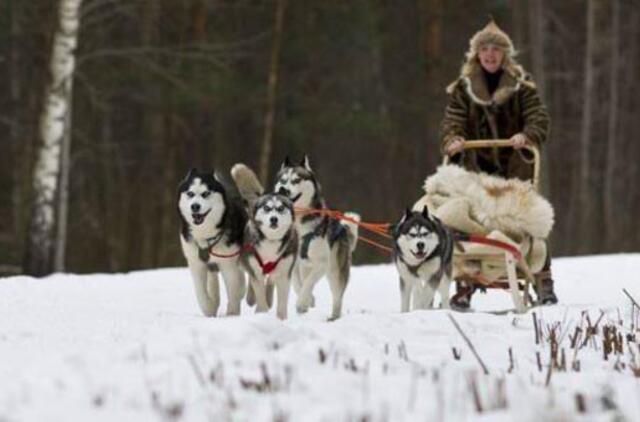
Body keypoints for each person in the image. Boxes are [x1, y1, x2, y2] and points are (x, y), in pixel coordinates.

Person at [439, 19, 558, 309]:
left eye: (495, 49)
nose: (490, 55)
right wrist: (453, 139)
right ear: (476, 54)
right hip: (476, 169)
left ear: (505, 54)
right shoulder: (463, 89)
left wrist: (527, 135)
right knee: (469, 223)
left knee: (527, 221)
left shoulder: (522, 86)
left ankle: (542, 280)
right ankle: (466, 282)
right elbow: (452, 120)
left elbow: (538, 117)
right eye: (484, 49)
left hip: (515, 167)